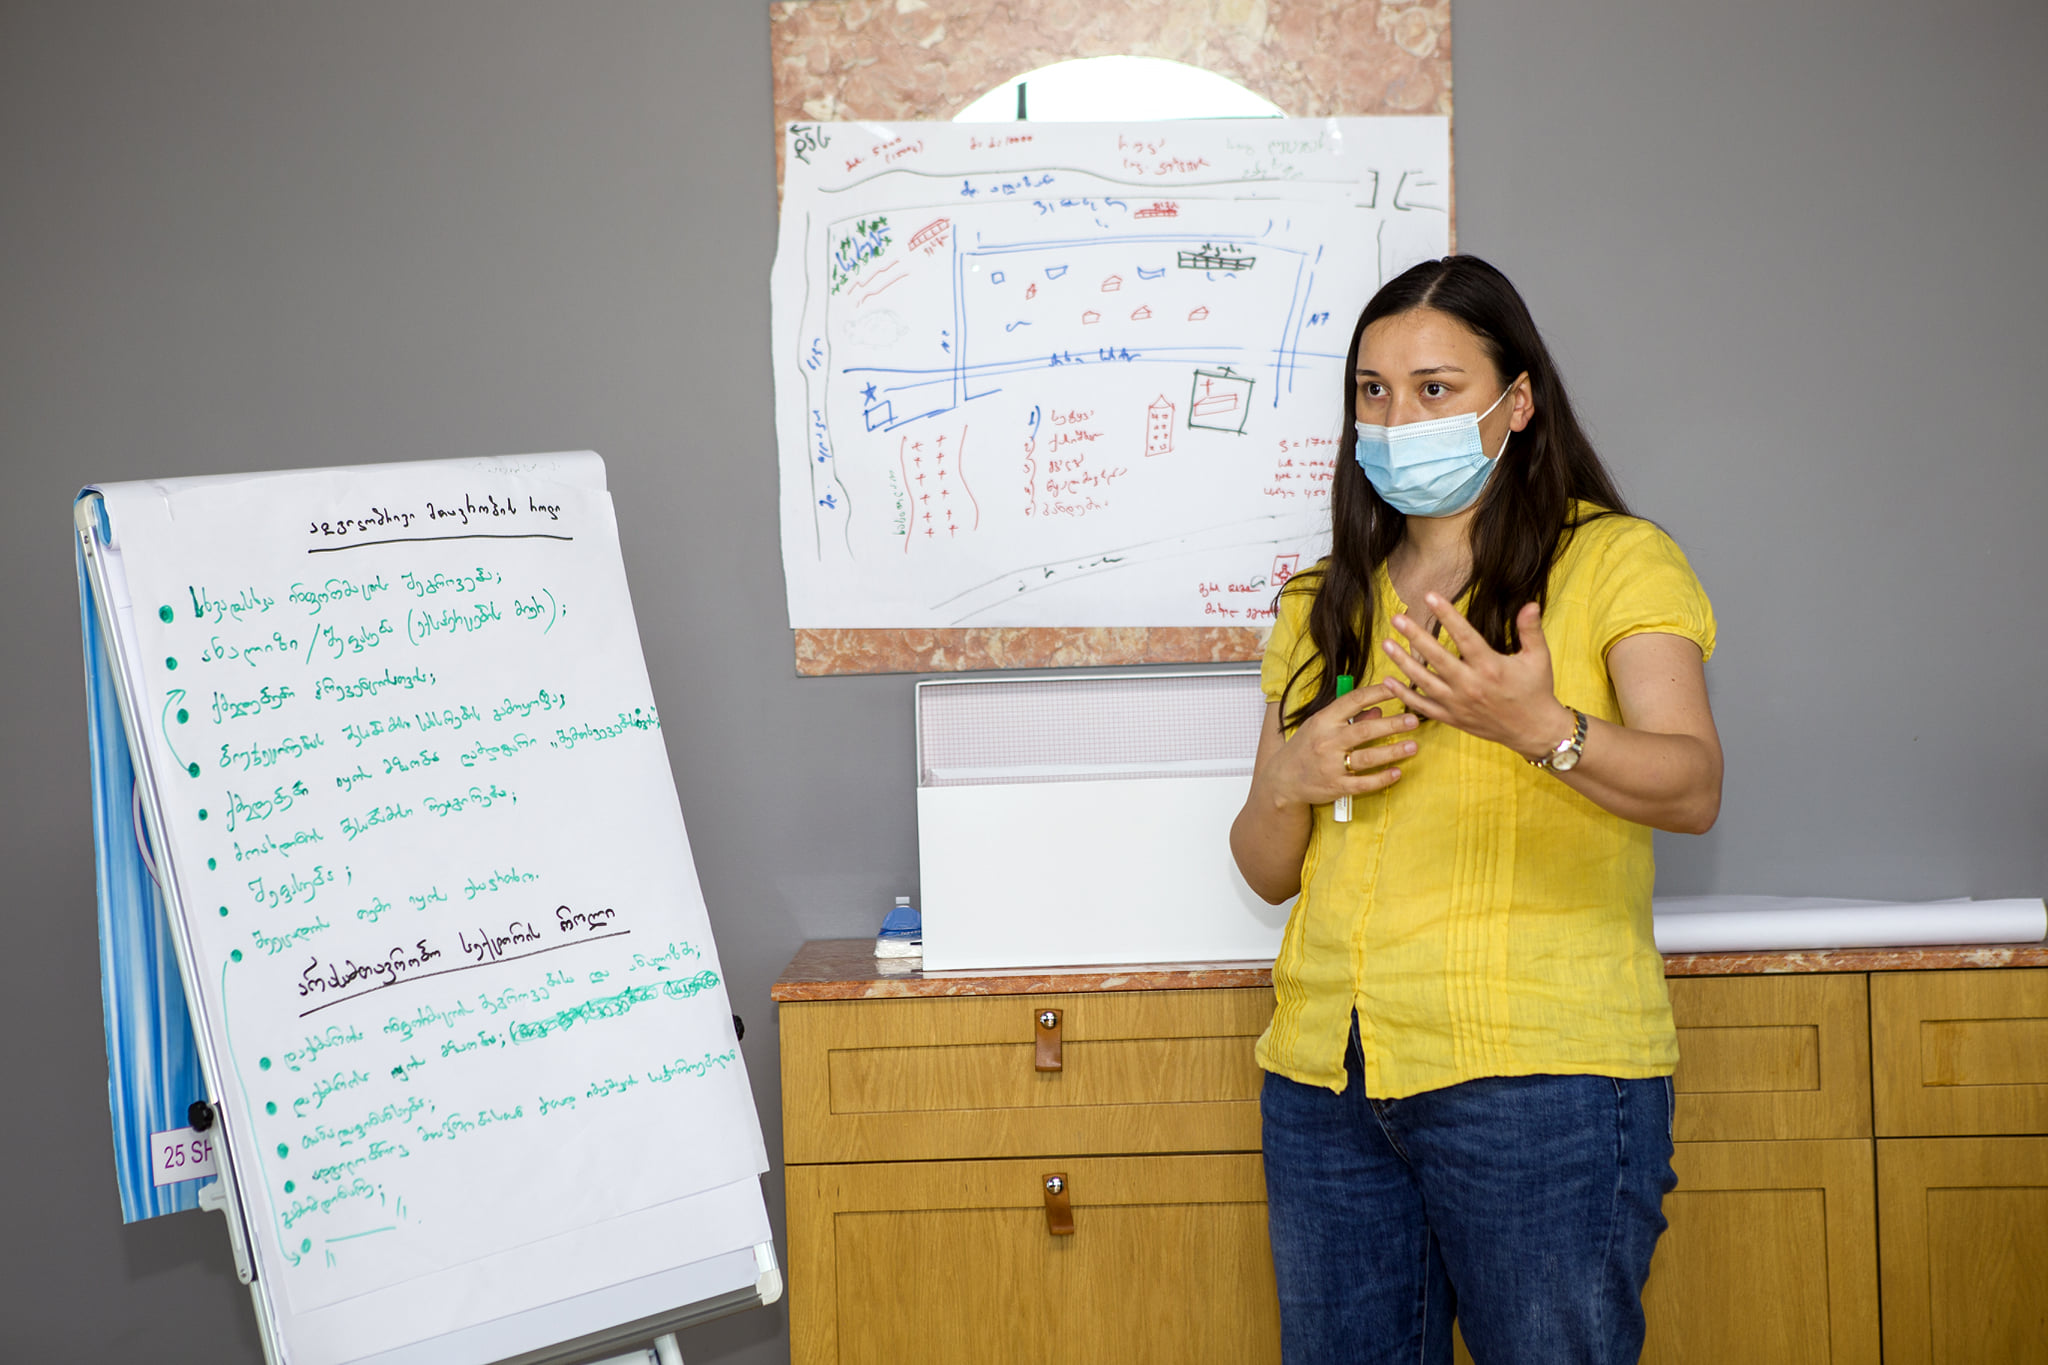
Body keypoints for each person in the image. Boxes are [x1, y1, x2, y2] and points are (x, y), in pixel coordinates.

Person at [1229, 255, 1723, 1365]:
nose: (1397, 419)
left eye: (1435, 389)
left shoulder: (1614, 560)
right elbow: (1266, 868)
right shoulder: (1321, 601)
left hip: (1539, 1079)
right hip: (1328, 1082)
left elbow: (1693, 786)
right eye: (1372, 391)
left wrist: (1537, 725)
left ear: (1517, 401)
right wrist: (1290, 780)